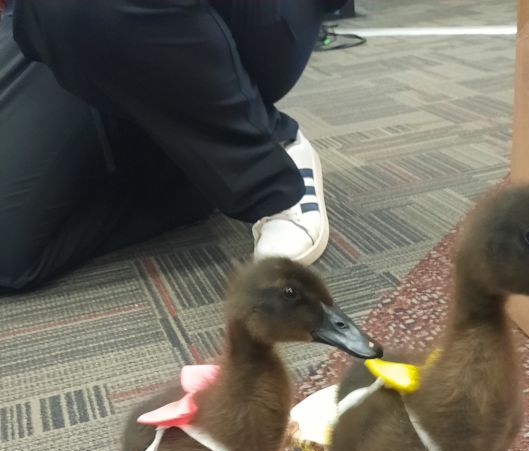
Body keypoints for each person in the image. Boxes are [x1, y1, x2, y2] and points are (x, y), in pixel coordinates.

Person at [0, 0, 341, 293]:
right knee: (8, 254)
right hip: (43, 31)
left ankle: (269, 168)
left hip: (245, 15)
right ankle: (192, 156)